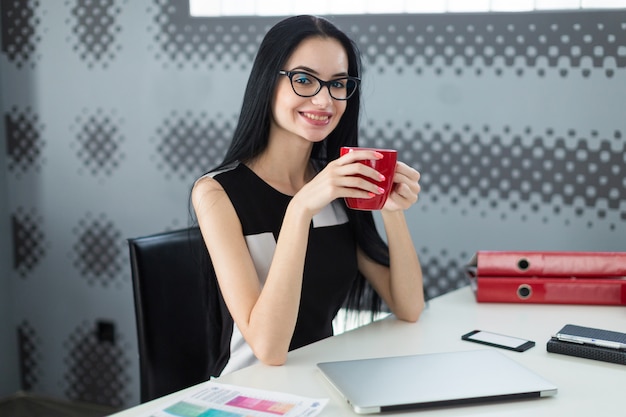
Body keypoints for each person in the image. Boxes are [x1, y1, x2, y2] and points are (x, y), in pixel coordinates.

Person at [191, 15, 424, 376]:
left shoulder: (336, 180)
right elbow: (268, 349)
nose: (323, 100)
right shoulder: (217, 192)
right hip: (249, 389)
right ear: (268, 82)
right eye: (303, 79)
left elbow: (408, 306)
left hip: (322, 380)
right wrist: (299, 208)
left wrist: (389, 207)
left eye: (338, 84)